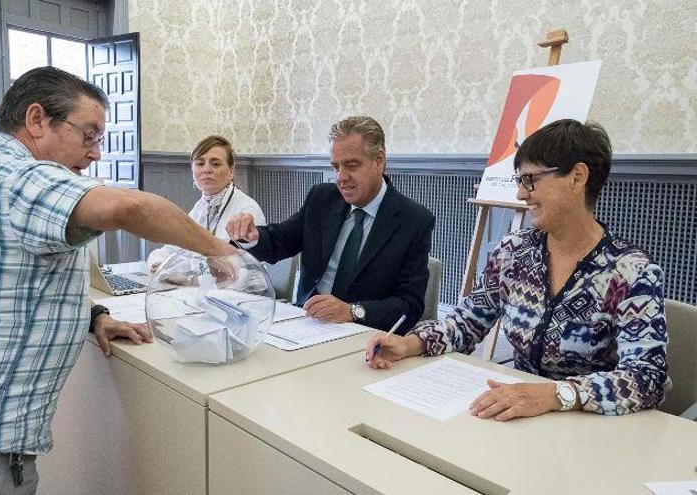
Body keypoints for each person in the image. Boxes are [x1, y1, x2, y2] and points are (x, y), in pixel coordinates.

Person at [0, 66, 236, 494]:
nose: (95, 153)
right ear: (37, 120)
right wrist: (223, 252)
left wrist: (92, 314)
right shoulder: (23, 177)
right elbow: (132, 209)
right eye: (89, 135)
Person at [366, 119, 669, 420]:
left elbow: (647, 377)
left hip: (589, 428)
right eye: (520, 182)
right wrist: (409, 343)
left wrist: (556, 394)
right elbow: (467, 321)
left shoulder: (631, 273)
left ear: (577, 177)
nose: (521, 195)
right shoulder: (514, 252)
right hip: (518, 416)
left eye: (530, 180)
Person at [226, 116, 435, 331]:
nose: (341, 177)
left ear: (379, 160)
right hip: (306, 323)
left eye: (351, 165)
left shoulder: (414, 220)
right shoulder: (322, 198)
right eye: (336, 167)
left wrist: (352, 311)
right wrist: (252, 236)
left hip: (363, 335)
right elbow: (281, 240)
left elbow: (410, 305)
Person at [146, 135, 266, 272]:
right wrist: (160, 266)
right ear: (192, 170)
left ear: (231, 171)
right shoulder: (200, 208)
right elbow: (170, 250)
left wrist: (184, 275)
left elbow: (243, 270)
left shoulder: (246, 210)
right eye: (200, 163)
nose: (206, 169)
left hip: (238, 291)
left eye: (215, 164)